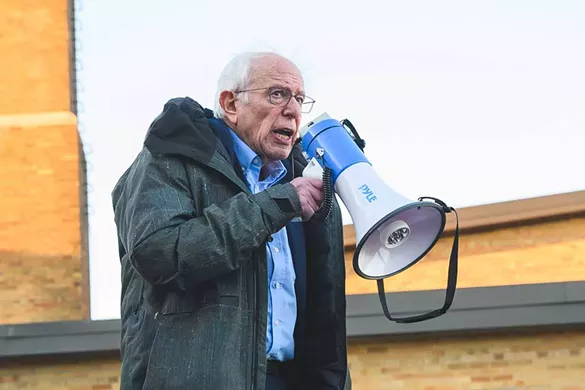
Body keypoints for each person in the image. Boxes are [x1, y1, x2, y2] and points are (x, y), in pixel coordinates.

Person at [111, 51, 351, 390]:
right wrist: (276, 205)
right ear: (231, 103)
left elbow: (322, 313)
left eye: (299, 99)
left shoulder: (298, 181)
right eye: (277, 94)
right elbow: (162, 254)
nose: (293, 110)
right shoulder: (172, 158)